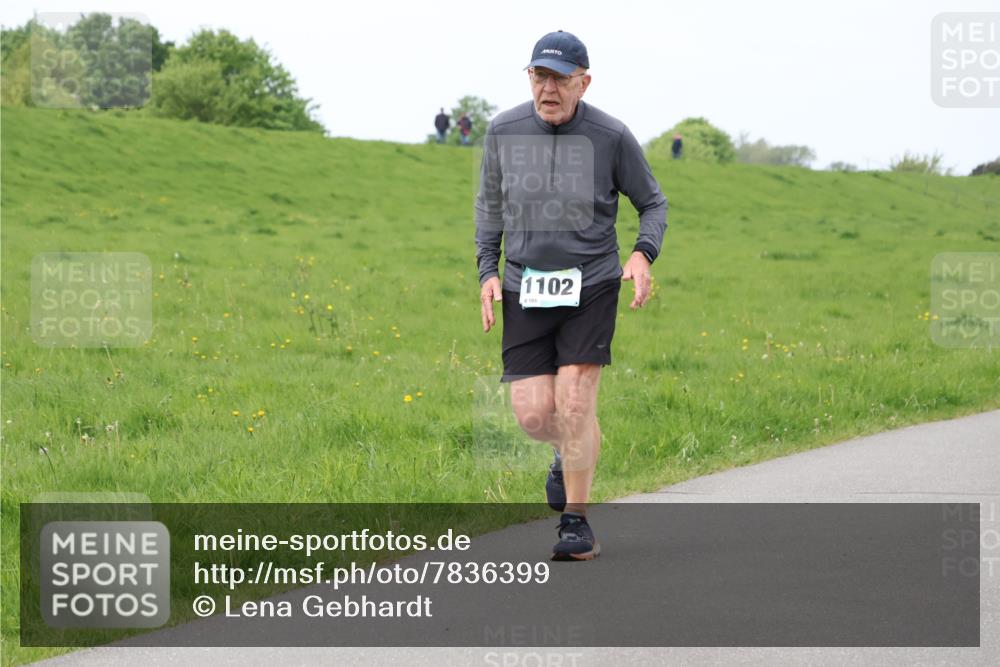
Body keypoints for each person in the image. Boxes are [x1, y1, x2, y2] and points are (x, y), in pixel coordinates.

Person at [474, 30, 668, 561]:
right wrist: (486, 271)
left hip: (592, 284)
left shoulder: (611, 135)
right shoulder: (503, 131)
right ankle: (564, 451)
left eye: (561, 78)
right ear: (529, 79)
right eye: (540, 75)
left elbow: (652, 203)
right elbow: (489, 207)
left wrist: (641, 254)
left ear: (584, 82)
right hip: (525, 286)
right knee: (536, 415)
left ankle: (576, 523)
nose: (549, 88)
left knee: (576, 400)